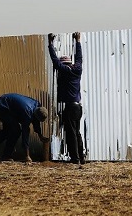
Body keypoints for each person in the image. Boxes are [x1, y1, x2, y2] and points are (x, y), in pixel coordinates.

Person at [48, 32, 85, 165]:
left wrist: (50, 44)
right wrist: (78, 41)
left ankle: (75, 159)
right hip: (78, 107)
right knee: (77, 133)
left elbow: (55, 61)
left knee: (71, 134)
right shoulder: (77, 69)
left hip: (70, 107)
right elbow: (79, 57)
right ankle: (81, 157)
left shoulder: (65, 71)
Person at [0, 93, 49, 162]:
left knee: (7, 131)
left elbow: (36, 122)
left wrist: (40, 135)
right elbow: (25, 134)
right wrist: (27, 155)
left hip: (6, 103)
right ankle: (6, 155)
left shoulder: (37, 105)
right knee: (15, 131)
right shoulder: (27, 112)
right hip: (2, 105)